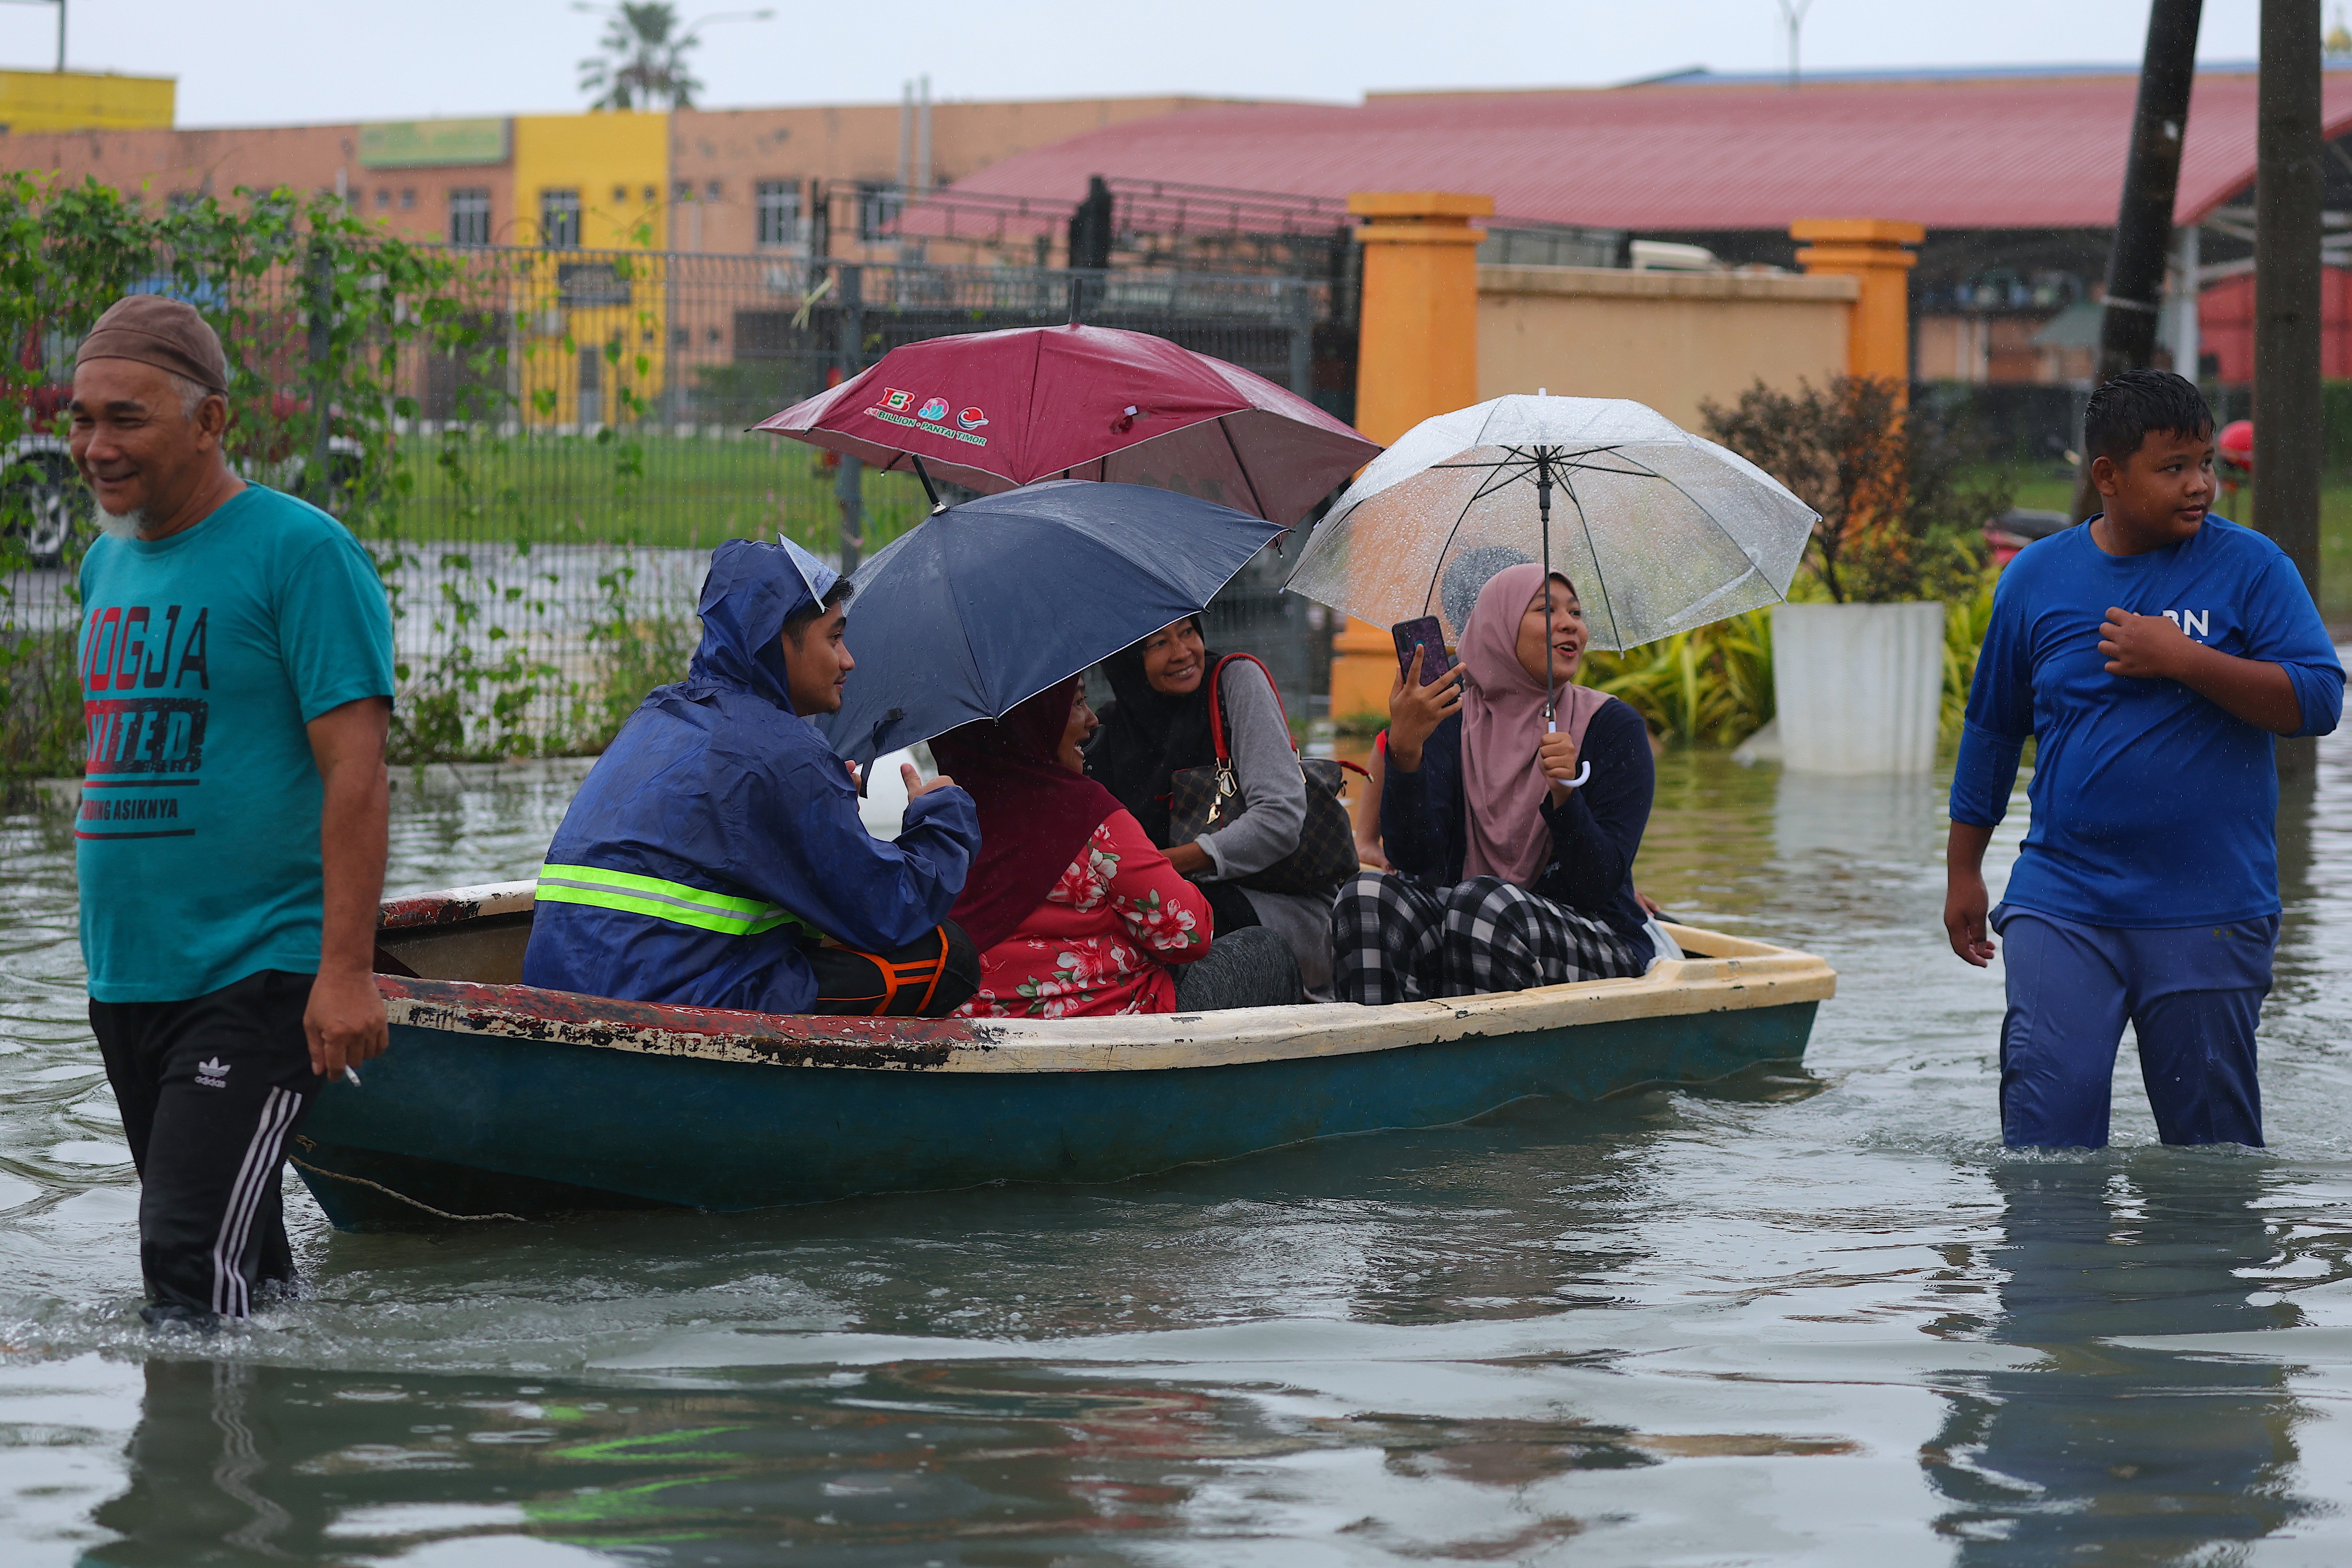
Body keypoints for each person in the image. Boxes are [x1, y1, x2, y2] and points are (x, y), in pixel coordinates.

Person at [69, 295, 395, 1329]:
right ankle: (289, 1460)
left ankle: (195, 1491)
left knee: (179, 1259)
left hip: (256, 975)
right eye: (80, 418)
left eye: (127, 418)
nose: (94, 446)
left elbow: (358, 770)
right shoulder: (104, 563)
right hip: (129, 978)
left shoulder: (303, 555)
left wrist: (343, 972)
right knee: (236, 1270)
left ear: (213, 422)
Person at [1945, 369, 2343, 1149]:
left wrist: (2184, 657)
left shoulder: (2253, 568)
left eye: (2206, 464)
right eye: (2174, 468)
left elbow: (2319, 700)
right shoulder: (2036, 579)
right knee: (2046, 1143)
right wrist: (1965, 868)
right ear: (2108, 476)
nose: (2200, 485)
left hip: (2212, 905)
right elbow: (1993, 730)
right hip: (2065, 898)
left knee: (2212, 1156)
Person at [523, 537, 982, 1016]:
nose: (848, 661)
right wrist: (942, 816)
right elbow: (890, 909)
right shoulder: (786, 755)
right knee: (949, 957)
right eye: (834, 638)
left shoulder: (658, 713)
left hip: (556, 988)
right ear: (779, 637)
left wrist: (823, 800)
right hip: (660, 1008)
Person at [1333, 563, 1656, 1002]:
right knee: (1366, 897)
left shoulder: (1614, 728)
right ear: (1496, 628)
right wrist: (1406, 753)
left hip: (1596, 937)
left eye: (1576, 613)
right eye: (1547, 610)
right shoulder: (1451, 720)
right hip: (1470, 918)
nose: (1570, 624)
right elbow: (1416, 861)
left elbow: (1598, 886)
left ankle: (1487, 1066)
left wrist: (1566, 797)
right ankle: (1381, 1060)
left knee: (1483, 906)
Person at [931, 676, 1303, 1017]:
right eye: (1076, 704)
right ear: (1033, 722)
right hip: (1116, 1025)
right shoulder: (1084, 812)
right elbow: (1190, 934)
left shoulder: (936, 820)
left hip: (978, 1031)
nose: (1092, 720)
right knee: (1267, 952)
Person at [1087, 615, 1340, 995]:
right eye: (1158, 643)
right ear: (1127, 660)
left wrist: (1164, 867)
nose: (1182, 652)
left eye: (1188, 632)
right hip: (1164, 910)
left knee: (1170, 926)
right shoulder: (1107, 729)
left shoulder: (1234, 682)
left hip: (1278, 909)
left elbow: (1280, 817)